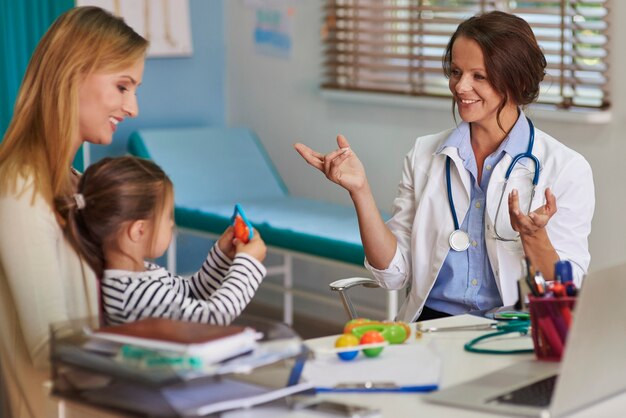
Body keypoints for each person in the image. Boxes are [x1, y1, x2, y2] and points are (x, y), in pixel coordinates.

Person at [295, 11, 594, 323]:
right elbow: (392, 275)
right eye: (456, 72)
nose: (461, 87)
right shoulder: (425, 154)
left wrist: (535, 237)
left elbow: (569, 291)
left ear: (515, 79)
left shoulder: (566, 168)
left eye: (479, 76)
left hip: (513, 331)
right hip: (431, 327)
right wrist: (360, 192)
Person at [0, 6, 148, 417]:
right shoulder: (19, 189)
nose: (133, 107)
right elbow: (51, 349)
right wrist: (167, 355)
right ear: (74, 73)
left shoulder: (75, 182)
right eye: (123, 86)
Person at [55, 156, 267, 326]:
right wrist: (247, 264)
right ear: (139, 230)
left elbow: (191, 294)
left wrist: (222, 257)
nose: (171, 225)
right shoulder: (133, 292)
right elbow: (212, 318)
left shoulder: (138, 277)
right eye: (167, 217)